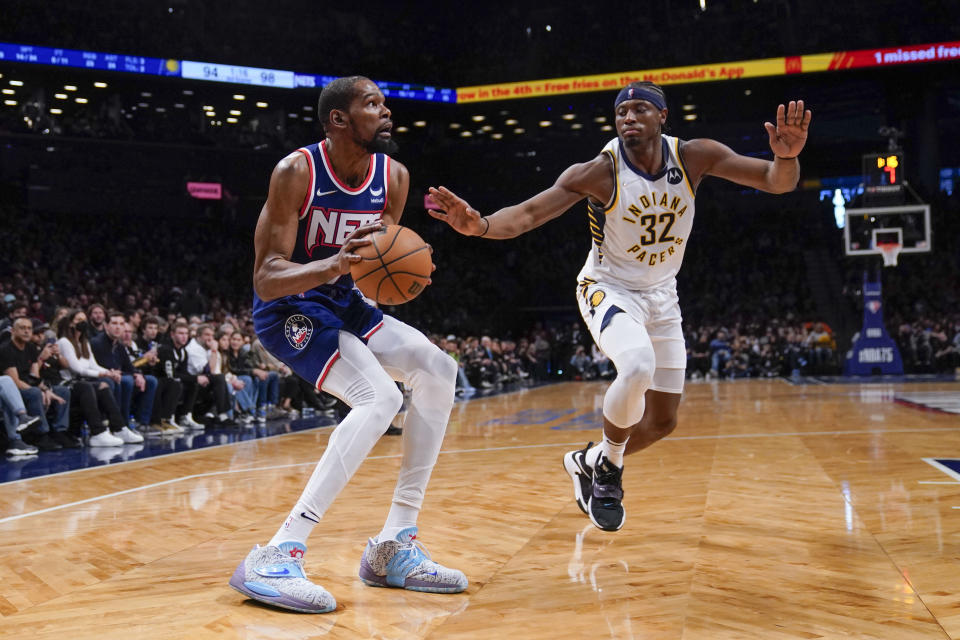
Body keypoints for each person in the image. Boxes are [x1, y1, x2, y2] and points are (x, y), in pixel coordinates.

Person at [428, 81, 811, 532]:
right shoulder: (598, 172)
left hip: (663, 295)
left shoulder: (694, 156)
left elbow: (775, 182)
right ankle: (608, 471)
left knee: (663, 422)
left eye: (639, 108)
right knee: (636, 366)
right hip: (608, 287)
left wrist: (787, 156)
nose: (628, 116)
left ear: (663, 116)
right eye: (621, 111)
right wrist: (480, 225)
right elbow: (529, 215)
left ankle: (587, 458)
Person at [230, 75, 465, 613]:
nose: (387, 112)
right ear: (339, 119)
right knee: (379, 398)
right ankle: (277, 552)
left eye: (385, 103)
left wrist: (393, 275)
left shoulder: (395, 177)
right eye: (372, 104)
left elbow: (377, 263)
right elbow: (266, 278)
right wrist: (335, 265)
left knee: (437, 368)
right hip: (288, 310)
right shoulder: (296, 172)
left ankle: (394, 546)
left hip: (345, 305)